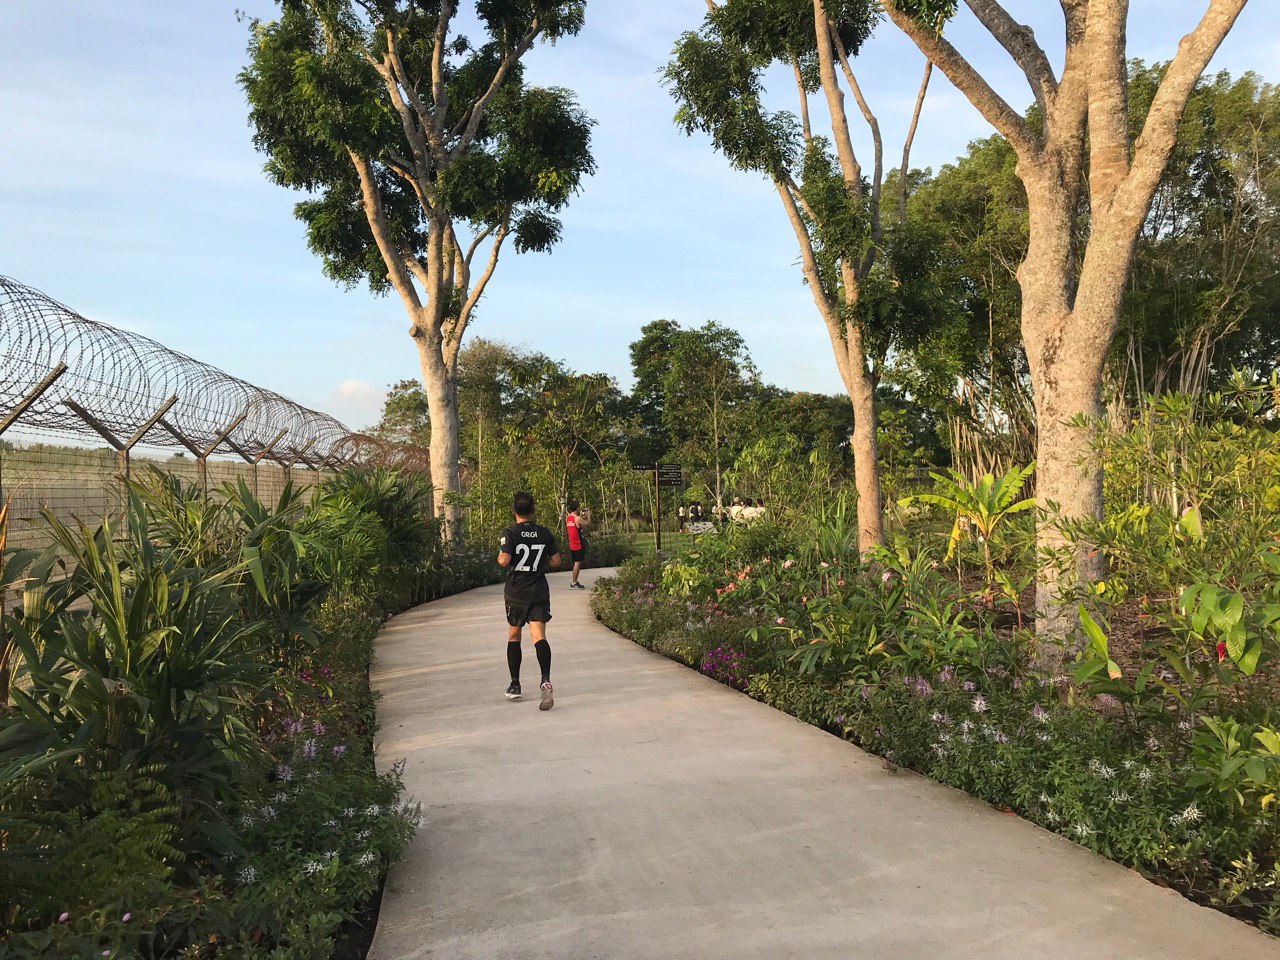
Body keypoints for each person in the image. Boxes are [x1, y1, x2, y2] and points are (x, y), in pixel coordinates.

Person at [497, 491, 560, 710]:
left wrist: (503, 554)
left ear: (514, 511)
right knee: (539, 637)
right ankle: (545, 679)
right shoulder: (544, 533)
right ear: (533, 511)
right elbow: (556, 560)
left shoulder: (510, 533)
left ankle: (515, 684)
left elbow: (504, 561)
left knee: (514, 635)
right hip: (539, 590)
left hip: (517, 592)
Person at [565, 499, 588, 589]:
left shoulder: (568, 518)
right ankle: (574, 583)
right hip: (578, 543)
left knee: (575, 562)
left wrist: (581, 516)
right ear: (577, 508)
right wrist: (589, 516)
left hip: (572, 543)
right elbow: (587, 523)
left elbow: (575, 525)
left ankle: (575, 581)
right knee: (577, 563)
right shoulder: (577, 518)